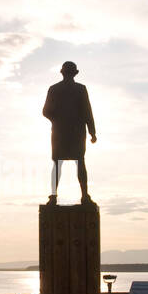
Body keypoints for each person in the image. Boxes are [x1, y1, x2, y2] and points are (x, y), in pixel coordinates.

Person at [42, 61, 96, 203]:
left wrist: (58, 120)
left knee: (60, 164)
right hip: (72, 132)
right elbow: (87, 112)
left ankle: (55, 196)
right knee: (77, 163)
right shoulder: (79, 89)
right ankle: (83, 196)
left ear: (62, 72)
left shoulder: (55, 89)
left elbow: (46, 112)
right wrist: (92, 132)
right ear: (75, 73)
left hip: (63, 132)